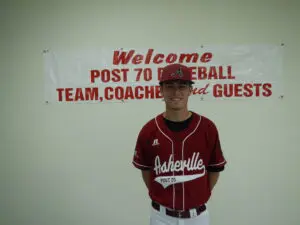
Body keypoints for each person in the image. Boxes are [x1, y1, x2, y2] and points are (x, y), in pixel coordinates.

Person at [132, 63, 227, 225]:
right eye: (169, 86)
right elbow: (147, 171)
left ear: (191, 90)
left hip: (198, 217)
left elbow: (214, 170)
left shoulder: (207, 128)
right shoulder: (149, 130)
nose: (176, 92)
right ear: (161, 90)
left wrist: (197, 195)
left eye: (182, 86)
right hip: (161, 217)